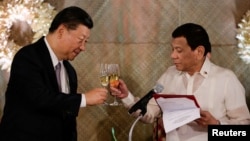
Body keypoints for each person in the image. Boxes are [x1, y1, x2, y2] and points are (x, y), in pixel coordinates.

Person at [110, 23, 250, 141]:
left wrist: (216, 125)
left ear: (199, 52)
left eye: (179, 50)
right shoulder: (169, 75)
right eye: (172, 50)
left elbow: (242, 131)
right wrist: (126, 96)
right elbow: (149, 114)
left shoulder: (226, 79)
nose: (173, 55)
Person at [0, 6, 108, 141]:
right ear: (61, 31)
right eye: (80, 40)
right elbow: (39, 98)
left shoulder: (70, 71)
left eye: (85, 42)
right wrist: (84, 99)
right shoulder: (27, 57)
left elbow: (67, 119)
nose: (83, 48)